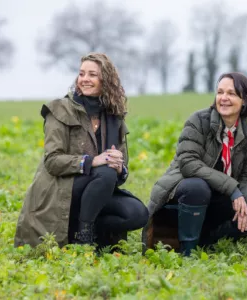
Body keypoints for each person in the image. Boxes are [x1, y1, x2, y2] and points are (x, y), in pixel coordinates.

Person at [14, 53, 148, 249]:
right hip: (60, 188)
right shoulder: (60, 110)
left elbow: (119, 171)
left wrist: (120, 167)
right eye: (82, 74)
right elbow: (52, 161)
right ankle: (83, 238)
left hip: (97, 190)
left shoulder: (113, 117)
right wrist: (92, 161)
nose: (85, 79)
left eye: (92, 75)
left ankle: (88, 228)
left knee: (137, 213)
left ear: (106, 80)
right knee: (104, 172)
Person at [142, 72, 247, 256]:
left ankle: (209, 245)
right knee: (197, 187)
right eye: (220, 92)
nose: (223, 98)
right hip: (182, 199)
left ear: (245, 99)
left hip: (216, 201)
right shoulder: (198, 121)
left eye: (231, 94)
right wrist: (232, 189)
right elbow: (188, 163)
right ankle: (188, 253)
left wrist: (245, 204)